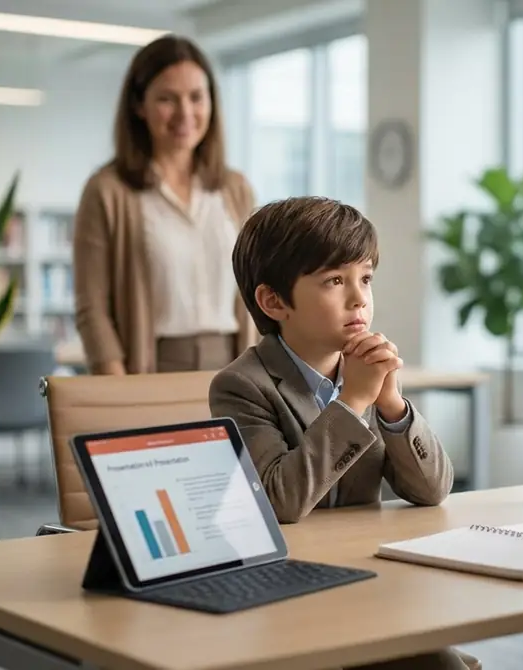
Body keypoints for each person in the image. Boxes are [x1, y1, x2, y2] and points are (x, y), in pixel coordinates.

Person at [208, 197, 477, 670]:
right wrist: (353, 401)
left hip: (364, 576)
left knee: (442, 663)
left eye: (366, 279)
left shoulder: (363, 371)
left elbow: (432, 489)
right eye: (335, 281)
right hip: (283, 592)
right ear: (274, 302)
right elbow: (280, 501)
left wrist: (391, 402)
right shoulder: (241, 386)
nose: (360, 299)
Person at [73, 34, 257, 375]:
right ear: (139, 106)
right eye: (167, 99)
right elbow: (92, 307)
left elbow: (259, 288)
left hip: (236, 364)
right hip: (151, 366)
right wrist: (117, 385)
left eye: (196, 97)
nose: (185, 113)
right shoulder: (107, 191)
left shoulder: (235, 189)